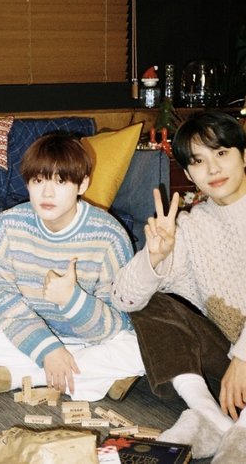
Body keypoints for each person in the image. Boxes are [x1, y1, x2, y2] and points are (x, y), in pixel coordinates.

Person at [0, 132, 145, 402]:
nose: (47, 193)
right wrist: (48, 349)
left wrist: (72, 300)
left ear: (82, 184)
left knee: (138, 349)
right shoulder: (10, 224)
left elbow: (116, 322)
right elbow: (0, 297)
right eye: (38, 180)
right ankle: (91, 379)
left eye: (60, 181)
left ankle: (15, 377)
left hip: (89, 341)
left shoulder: (109, 235)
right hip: (32, 335)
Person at [111, 109, 246, 463]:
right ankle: (207, 413)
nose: (213, 169)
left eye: (221, 153)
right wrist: (153, 258)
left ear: (244, 156)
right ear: (187, 174)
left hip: (241, 362)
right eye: (198, 161)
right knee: (151, 302)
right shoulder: (191, 226)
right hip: (226, 367)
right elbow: (124, 299)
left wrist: (243, 357)